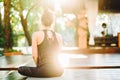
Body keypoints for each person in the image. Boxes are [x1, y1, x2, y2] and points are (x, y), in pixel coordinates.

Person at [18, 9, 64, 78]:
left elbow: (34, 56)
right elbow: (58, 54)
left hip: (43, 70)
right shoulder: (59, 36)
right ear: (52, 22)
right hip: (58, 70)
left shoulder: (36, 35)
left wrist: (39, 67)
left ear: (41, 21)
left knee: (21, 69)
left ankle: (42, 71)